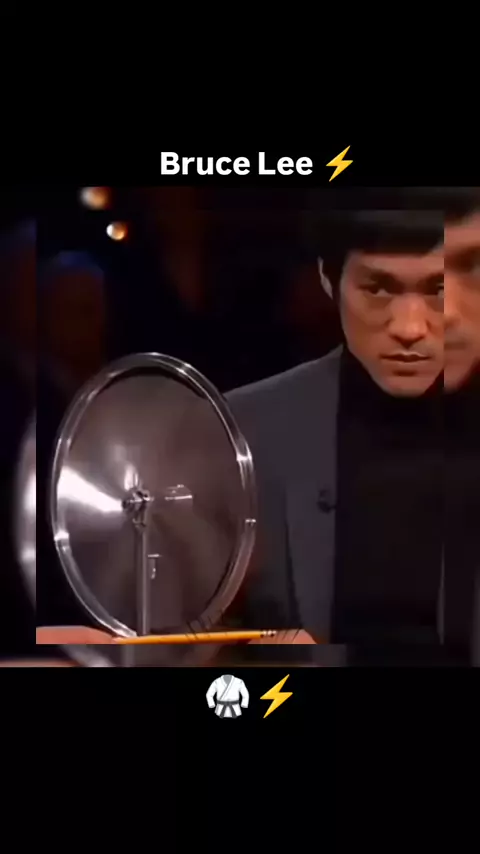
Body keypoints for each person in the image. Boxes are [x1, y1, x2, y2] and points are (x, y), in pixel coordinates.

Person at [224, 188, 480, 664]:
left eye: (438, 290)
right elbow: (182, 639)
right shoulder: (244, 432)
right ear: (328, 278)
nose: (409, 328)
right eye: (378, 289)